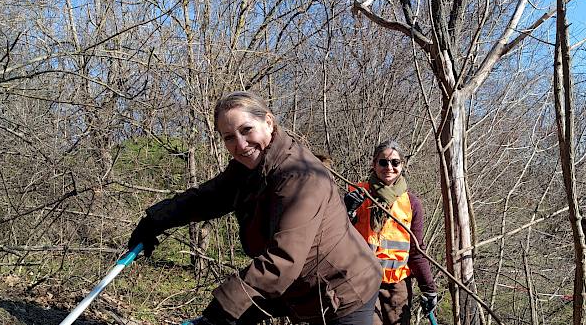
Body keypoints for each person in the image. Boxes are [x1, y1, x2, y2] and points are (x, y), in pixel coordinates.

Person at [127, 91, 381, 325]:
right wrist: (155, 220)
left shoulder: (301, 177)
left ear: (268, 122)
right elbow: (206, 198)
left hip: (342, 289)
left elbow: (282, 260)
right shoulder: (249, 169)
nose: (240, 144)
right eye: (229, 137)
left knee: (229, 310)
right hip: (298, 284)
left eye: (246, 130)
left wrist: (218, 312)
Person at [343, 141, 438, 325]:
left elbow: (416, 250)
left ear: (402, 165)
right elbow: (336, 236)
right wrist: (346, 211)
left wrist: (429, 288)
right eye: (383, 162)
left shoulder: (412, 203)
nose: (389, 167)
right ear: (374, 164)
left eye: (395, 162)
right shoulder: (356, 194)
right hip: (360, 281)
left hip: (396, 285)